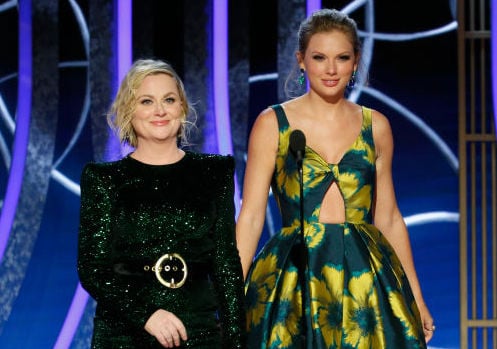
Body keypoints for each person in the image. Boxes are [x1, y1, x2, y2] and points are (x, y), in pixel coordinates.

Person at [236, 8, 434, 349]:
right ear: (301, 60)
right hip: (294, 277)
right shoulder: (273, 124)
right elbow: (252, 216)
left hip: (365, 279)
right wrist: (230, 294)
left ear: (355, 62)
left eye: (342, 58)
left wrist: (415, 296)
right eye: (319, 57)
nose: (331, 69)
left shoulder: (377, 126)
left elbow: (388, 217)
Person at [77, 58, 246, 348]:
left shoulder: (214, 172)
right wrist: (147, 315)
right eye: (146, 101)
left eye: (169, 99)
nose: (159, 110)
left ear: (182, 107)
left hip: (199, 329)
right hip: (125, 332)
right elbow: (93, 268)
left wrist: (236, 341)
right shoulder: (104, 179)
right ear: (128, 111)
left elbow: (225, 264)